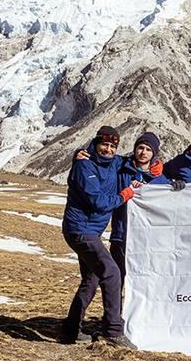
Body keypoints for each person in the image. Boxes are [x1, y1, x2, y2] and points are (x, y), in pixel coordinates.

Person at [60, 126, 137, 348]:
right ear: (95, 144)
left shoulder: (113, 162)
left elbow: (134, 161)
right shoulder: (84, 166)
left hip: (89, 231)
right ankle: (113, 331)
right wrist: (125, 194)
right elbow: (99, 203)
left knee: (92, 277)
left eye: (113, 146)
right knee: (112, 273)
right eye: (105, 144)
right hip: (80, 231)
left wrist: (157, 167)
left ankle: (71, 328)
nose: (108, 149)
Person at [110, 132, 169, 287]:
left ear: (154, 153)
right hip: (122, 235)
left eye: (148, 150)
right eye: (140, 148)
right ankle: (115, 312)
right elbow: (101, 157)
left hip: (147, 238)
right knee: (117, 279)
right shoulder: (121, 168)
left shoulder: (161, 180)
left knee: (143, 279)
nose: (143, 152)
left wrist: (175, 188)